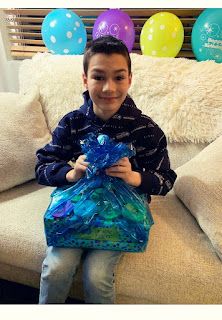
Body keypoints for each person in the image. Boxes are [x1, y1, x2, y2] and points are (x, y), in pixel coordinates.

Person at [35, 35, 177, 304]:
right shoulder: (72, 123)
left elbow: (166, 180)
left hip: (119, 214)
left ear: (130, 79)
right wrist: (72, 173)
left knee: (97, 275)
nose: (109, 87)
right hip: (76, 209)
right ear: (85, 80)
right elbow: (42, 166)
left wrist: (134, 176)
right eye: (99, 77)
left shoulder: (145, 130)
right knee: (56, 268)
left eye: (119, 77)